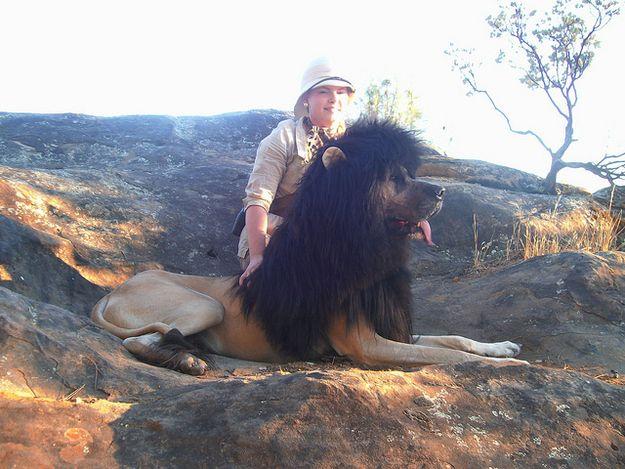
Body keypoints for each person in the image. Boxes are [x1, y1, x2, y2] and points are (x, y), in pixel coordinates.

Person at [238, 58, 355, 285]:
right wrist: (258, 257)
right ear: (306, 99)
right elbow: (257, 201)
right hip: (279, 231)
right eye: (324, 91)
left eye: (341, 92)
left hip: (334, 239)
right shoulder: (282, 139)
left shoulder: (357, 144)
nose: (334, 99)